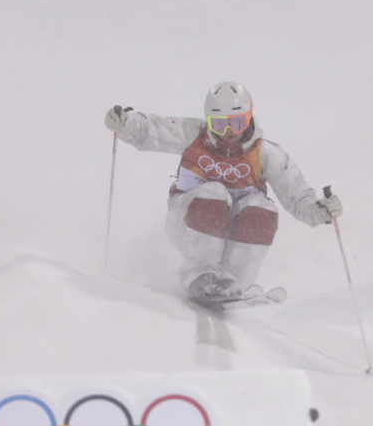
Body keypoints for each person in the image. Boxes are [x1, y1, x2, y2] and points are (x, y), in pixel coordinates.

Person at [104, 81, 343, 298]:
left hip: (233, 229)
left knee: (262, 208)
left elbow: (297, 196)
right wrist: (125, 123)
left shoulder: (266, 153)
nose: (229, 133)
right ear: (208, 120)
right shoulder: (194, 135)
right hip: (187, 221)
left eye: (237, 123)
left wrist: (320, 210)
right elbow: (153, 130)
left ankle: (233, 281)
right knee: (215, 192)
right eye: (219, 124)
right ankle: (200, 276)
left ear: (249, 117)